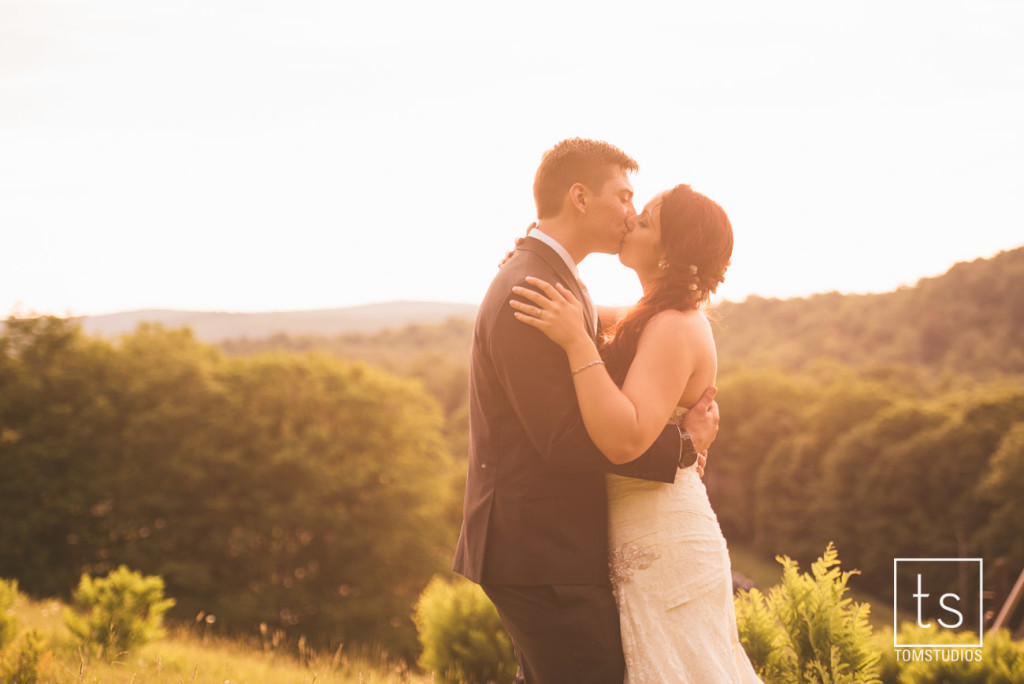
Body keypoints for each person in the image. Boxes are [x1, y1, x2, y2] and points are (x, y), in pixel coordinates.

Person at [452, 138, 720, 683]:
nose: (630, 214)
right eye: (624, 198)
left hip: (559, 548)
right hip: (539, 551)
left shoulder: (556, 280)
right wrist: (685, 448)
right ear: (579, 196)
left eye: (640, 211)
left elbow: (629, 352)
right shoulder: (532, 288)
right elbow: (564, 439)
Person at [510, 183, 762, 682]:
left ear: (669, 252)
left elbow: (625, 439)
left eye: (644, 220)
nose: (630, 222)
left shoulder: (675, 325)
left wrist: (576, 342)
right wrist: (534, 265)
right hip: (638, 528)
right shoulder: (650, 316)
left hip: (663, 541)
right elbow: (591, 311)